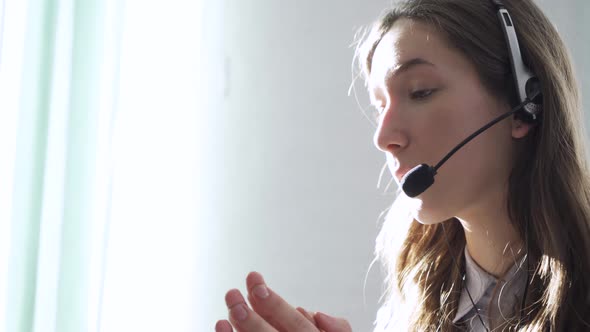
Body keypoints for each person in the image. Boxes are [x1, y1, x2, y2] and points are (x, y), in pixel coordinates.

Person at [215, 0, 590, 331]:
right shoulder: (412, 303)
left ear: (525, 105)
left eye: (420, 92)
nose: (383, 137)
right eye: (380, 106)